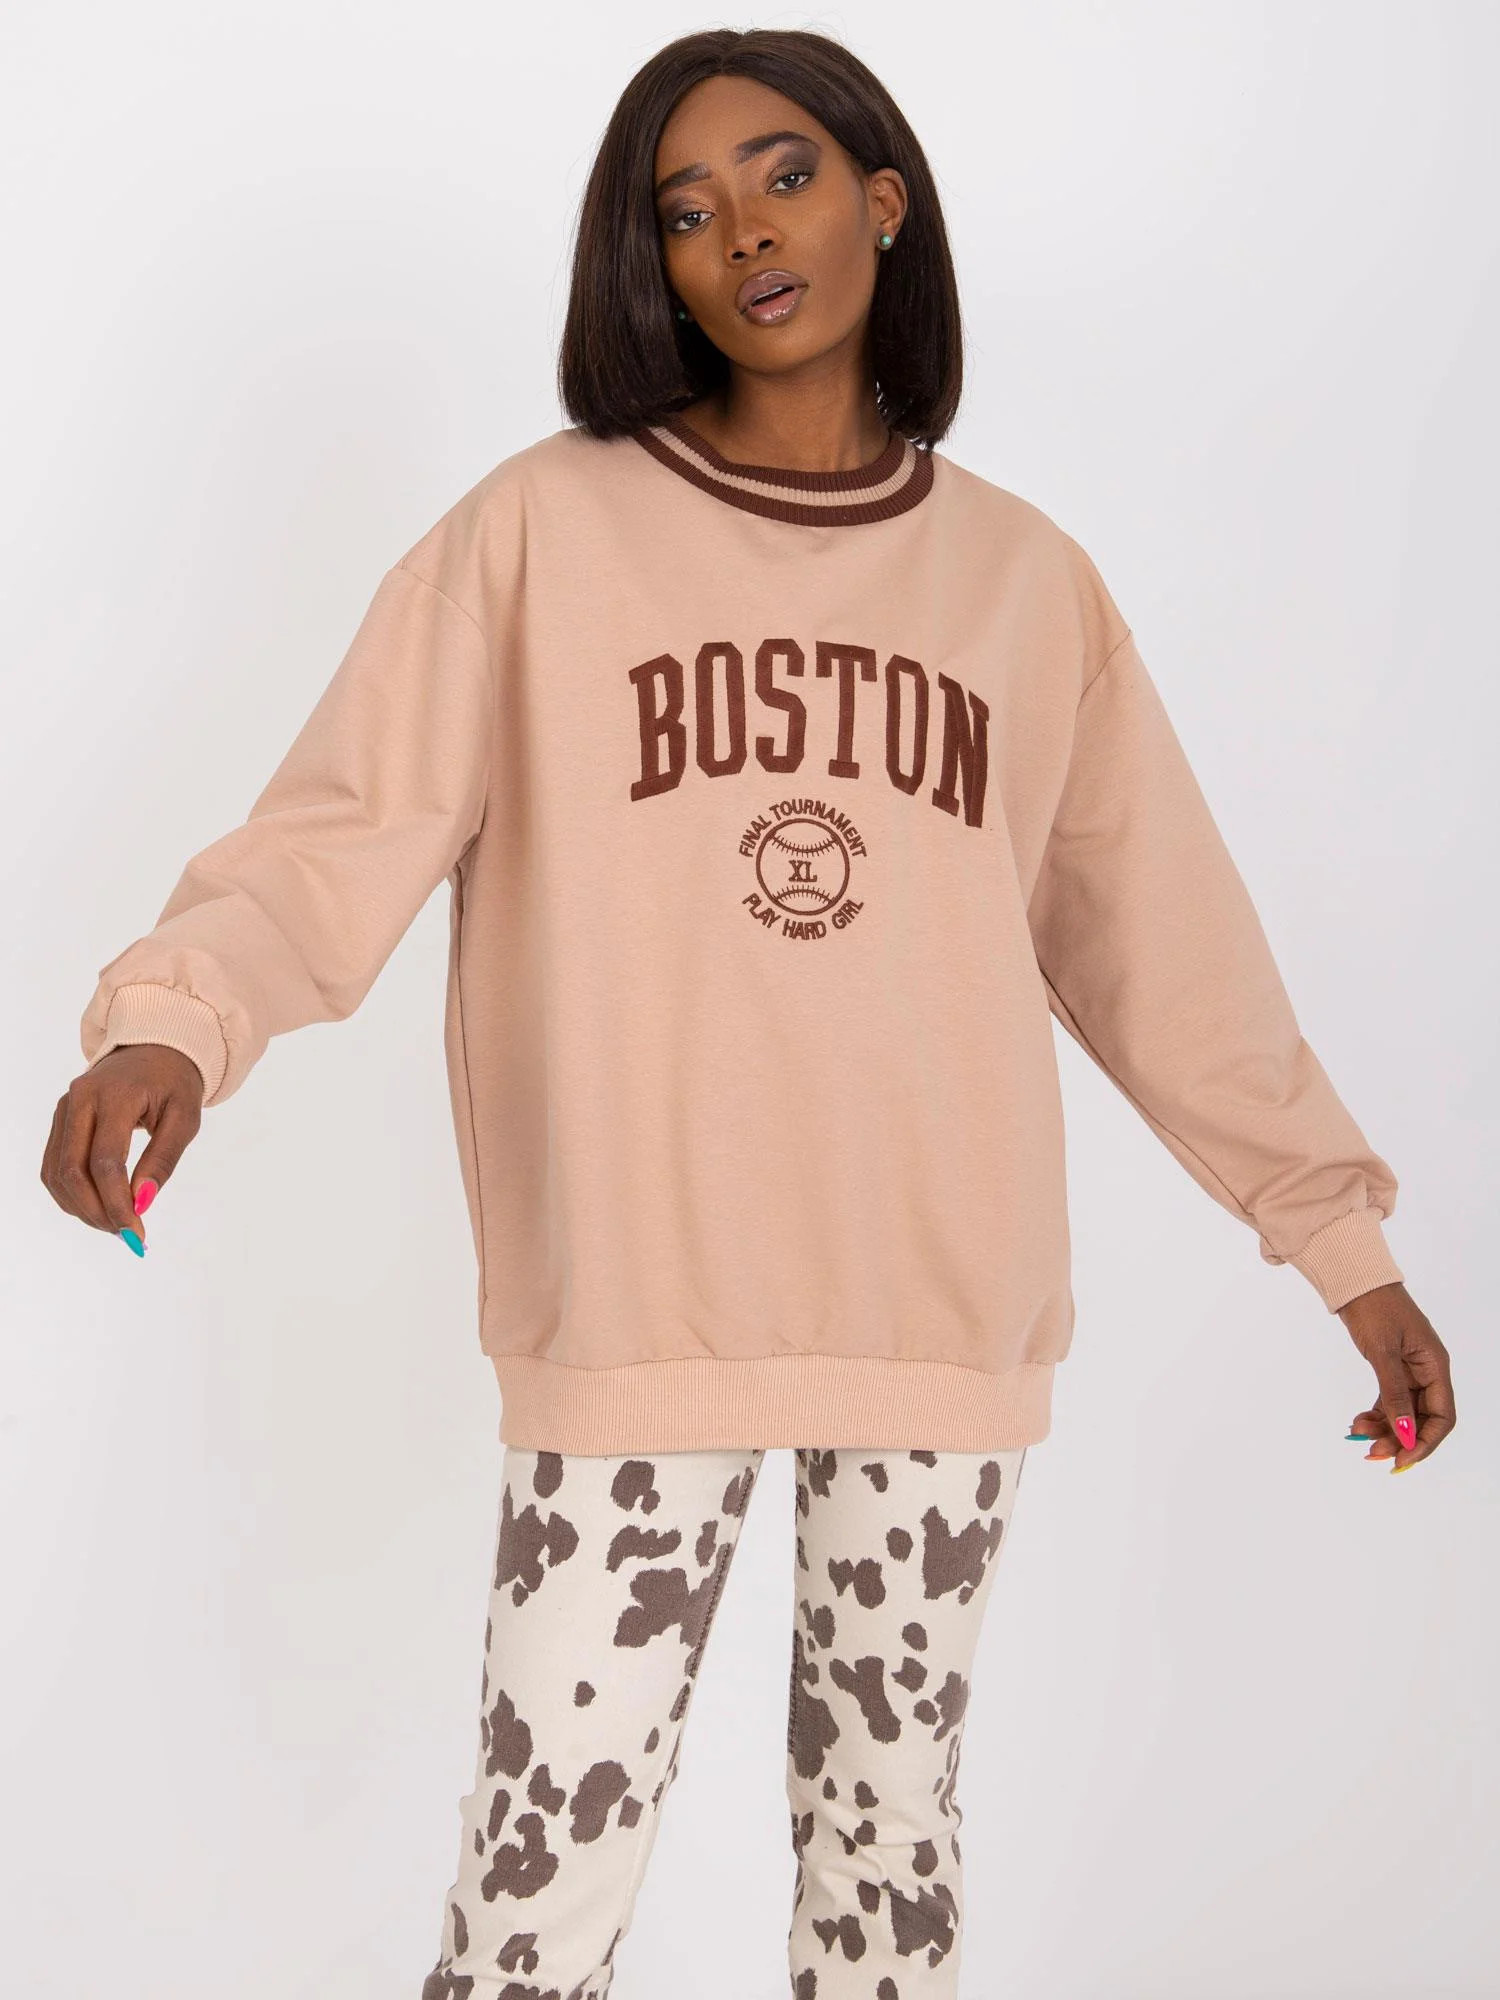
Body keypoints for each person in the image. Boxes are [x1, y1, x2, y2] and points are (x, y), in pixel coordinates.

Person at [41, 26, 1455, 2000]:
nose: (745, 235)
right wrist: (173, 1021)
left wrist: (1343, 1246)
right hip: (640, 1307)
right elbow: (339, 830)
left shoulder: (1026, 587)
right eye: (686, 211)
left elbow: (1168, 955)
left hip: (934, 1313)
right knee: (540, 1875)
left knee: (892, 1857)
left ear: (884, 199)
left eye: (785, 177)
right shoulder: (540, 534)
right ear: (655, 264)